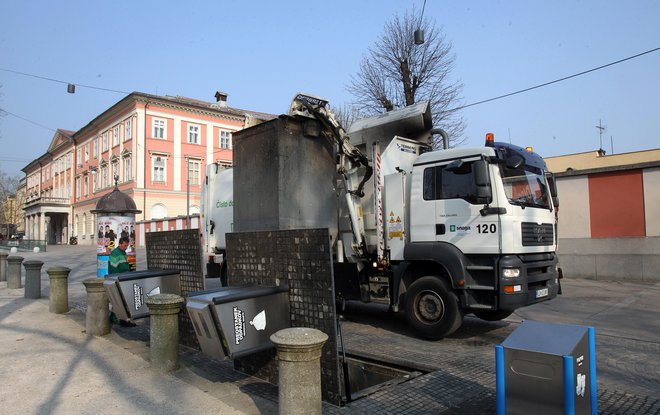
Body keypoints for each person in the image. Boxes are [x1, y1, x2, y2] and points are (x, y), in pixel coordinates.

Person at [108, 237, 136, 327]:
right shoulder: (115, 254)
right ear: (120, 244)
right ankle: (121, 319)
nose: (126, 247)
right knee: (120, 300)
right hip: (119, 280)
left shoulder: (122, 252)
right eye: (124, 245)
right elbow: (113, 269)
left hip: (123, 279)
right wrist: (118, 280)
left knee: (120, 300)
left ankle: (117, 318)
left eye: (127, 246)